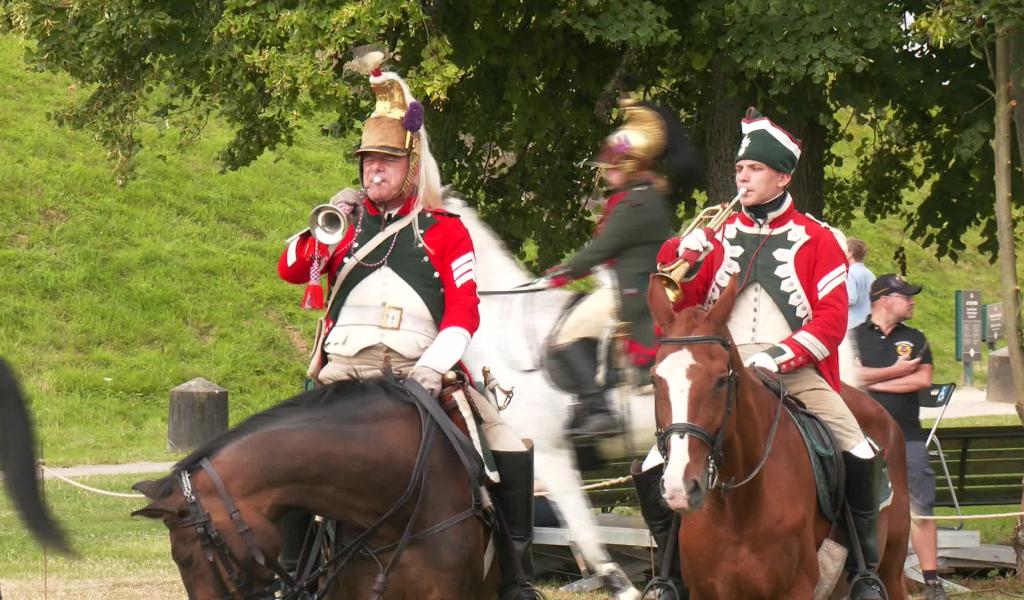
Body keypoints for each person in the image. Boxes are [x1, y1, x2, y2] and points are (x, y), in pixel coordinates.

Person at [277, 58, 542, 600]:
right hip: (344, 372)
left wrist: (433, 368)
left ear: (412, 168)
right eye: (368, 161)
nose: (374, 171)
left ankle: (517, 578)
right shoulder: (342, 227)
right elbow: (289, 269)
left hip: (420, 368)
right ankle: (293, 576)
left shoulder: (445, 232)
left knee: (507, 444)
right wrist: (325, 225)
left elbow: (464, 312)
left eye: (387, 162)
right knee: (287, 450)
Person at [639, 108, 887, 600]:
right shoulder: (714, 237)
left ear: (783, 176)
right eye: (738, 169)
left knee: (857, 447)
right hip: (719, 372)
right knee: (652, 465)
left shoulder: (820, 239)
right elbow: (684, 314)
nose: (742, 177)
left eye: (753, 169)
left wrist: (777, 356)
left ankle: (865, 572)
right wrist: (683, 259)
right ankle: (668, 577)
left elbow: (831, 321)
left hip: (792, 368)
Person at [545, 99, 700, 441]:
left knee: (565, 334)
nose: (606, 173)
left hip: (632, 293)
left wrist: (559, 275)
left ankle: (598, 409)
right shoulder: (639, 197)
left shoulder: (636, 203)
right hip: (625, 285)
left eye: (613, 168)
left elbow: (601, 249)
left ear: (630, 166)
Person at [853, 274, 947, 600]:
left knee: (921, 508)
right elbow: (850, 376)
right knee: (864, 508)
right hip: (862, 440)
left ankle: (932, 581)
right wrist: (895, 371)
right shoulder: (853, 337)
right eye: (905, 296)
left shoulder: (915, 337)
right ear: (883, 299)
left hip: (908, 439)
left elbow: (922, 379)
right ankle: (864, 575)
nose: (912, 301)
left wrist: (872, 383)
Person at [846, 237, 875, 330]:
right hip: (867, 325)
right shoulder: (870, 274)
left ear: (850, 253)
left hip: (851, 324)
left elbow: (850, 299)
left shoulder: (849, 273)